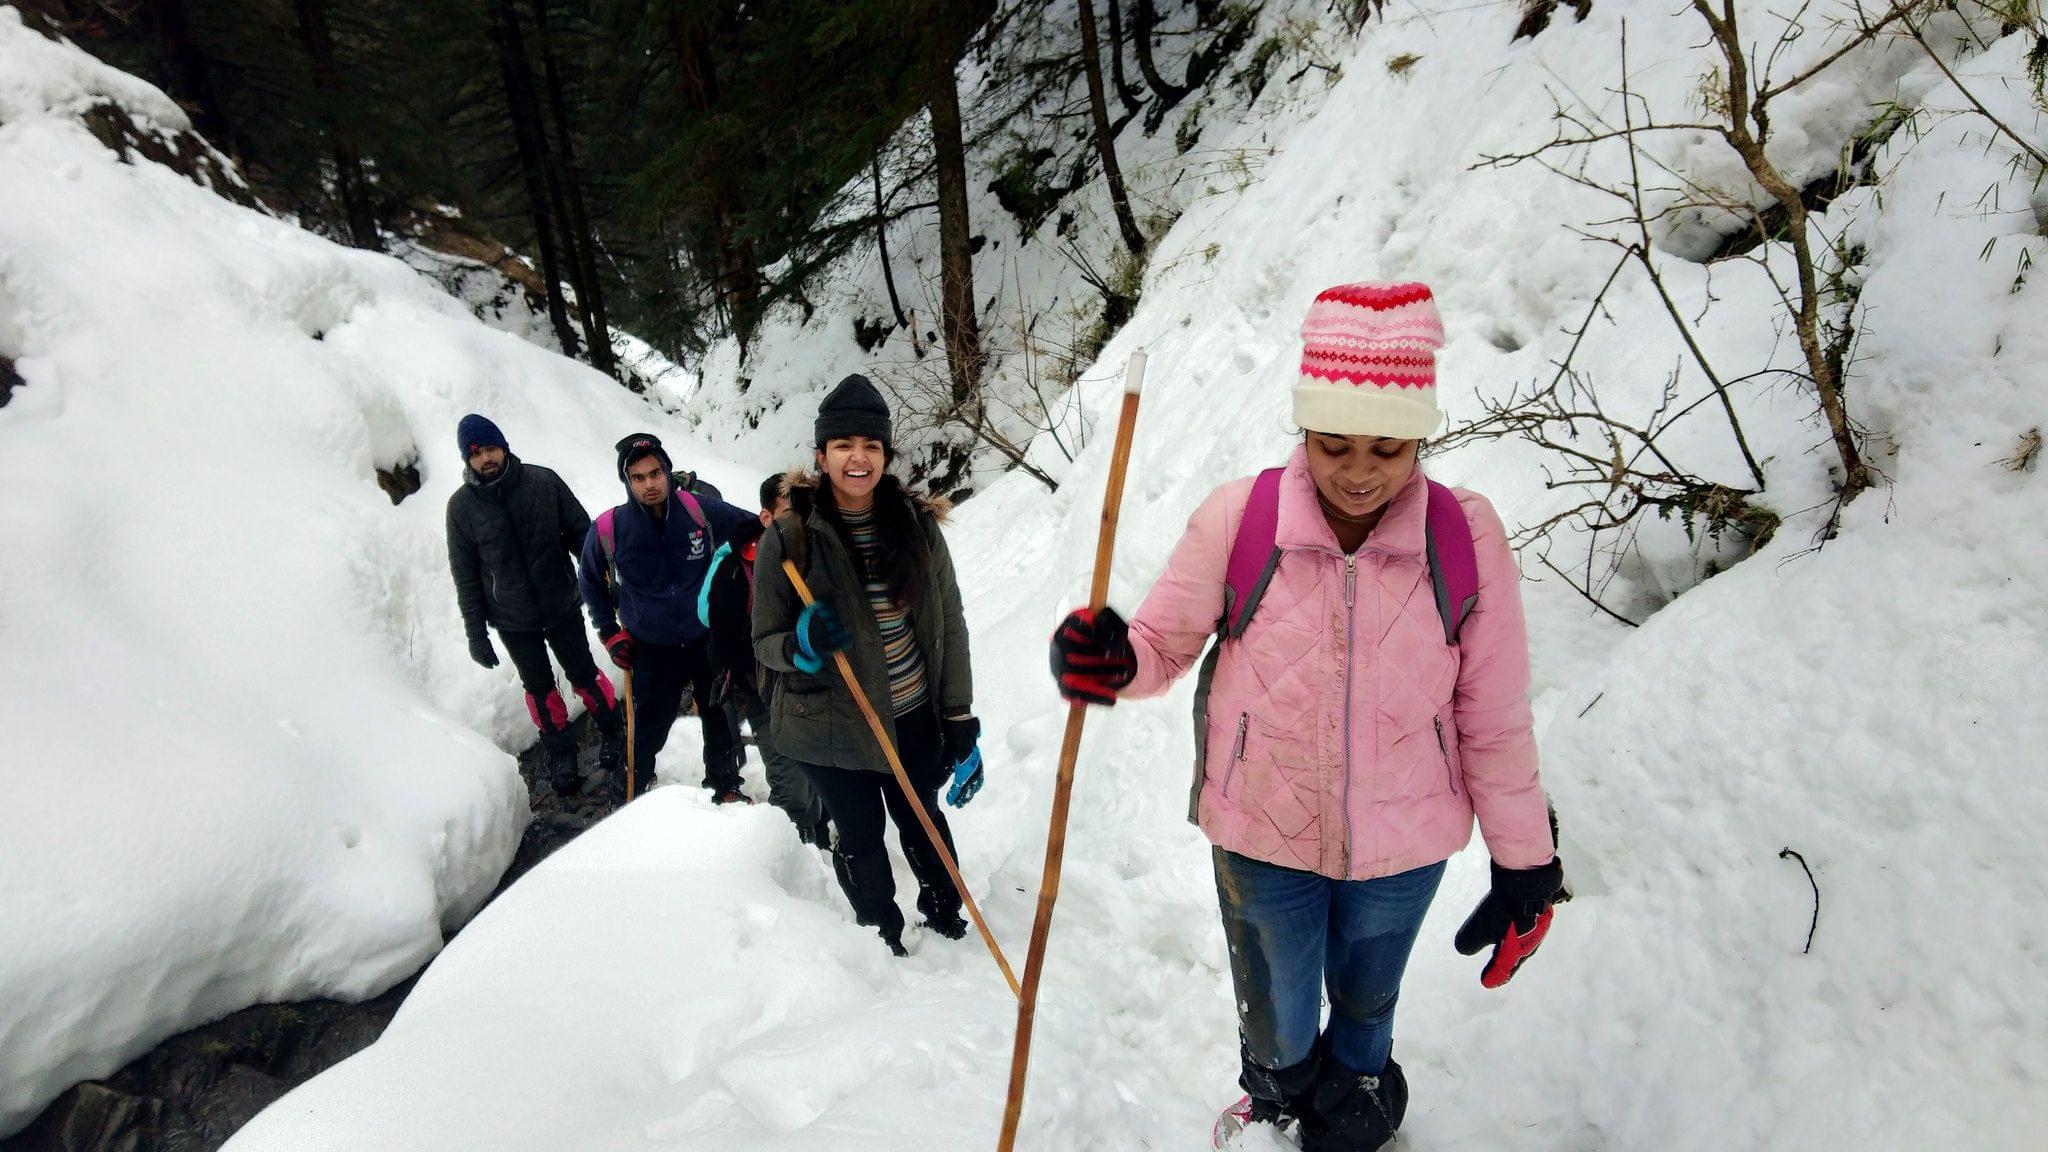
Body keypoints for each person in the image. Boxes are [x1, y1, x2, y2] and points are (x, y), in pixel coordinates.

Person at [1048, 283, 1565, 1152]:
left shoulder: (1465, 538)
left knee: (1368, 1004)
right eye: (1333, 444)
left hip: (1405, 844)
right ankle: (1277, 1102)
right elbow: (1159, 645)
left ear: (1420, 439)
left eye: (1388, 448)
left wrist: (1527, 865)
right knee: (1278, 1018)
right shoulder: (1241, 519)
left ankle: (1359, 1101)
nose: (1359, 471)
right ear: (1303, 429)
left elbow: (1494, 718)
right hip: (1261, 830)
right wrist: (1112, 661)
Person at [752, 375, 981, 956]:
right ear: (822, 455)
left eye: (872, 446)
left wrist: (958, 715)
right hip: (830, 724)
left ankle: (944, 913)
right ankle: (880, 936)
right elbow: (764, 642)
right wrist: (802, 643)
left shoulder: (917, 526)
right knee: (859, 835)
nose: (859, 458)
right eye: (844, 445)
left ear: (886, 454)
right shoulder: (789, 538)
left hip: (909, 714)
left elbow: (948, 624)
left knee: (922, 819)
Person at [445, 414, 623, 797]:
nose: (486, 458)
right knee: (539, 688)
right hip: (512, 619)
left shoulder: (542, 481)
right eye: (476, 453)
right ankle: (562, 753)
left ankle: (612, 730)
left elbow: (581, 533)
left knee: (584, 673)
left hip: (561, 601)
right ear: (467, 460)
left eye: (491, 448)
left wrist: (604, 583)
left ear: (504, 447)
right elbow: (466, 577)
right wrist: (476, 633)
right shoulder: (460, 509)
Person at [580, 432, 760, 806]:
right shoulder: (609, 529)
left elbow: (750, 528)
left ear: (667, 471)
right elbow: (590, 583)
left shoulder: (698, 510)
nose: (650, 483)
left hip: (704, 635)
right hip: (651, 643)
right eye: (639, 477)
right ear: (628, 482)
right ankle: (631, 784)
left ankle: (725, 784)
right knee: (650, 721)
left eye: (656, 473)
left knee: (717, 713)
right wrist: (610, 634)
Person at [699, 472, 831, 845]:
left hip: (819, 687)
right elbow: (716, 628)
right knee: (788, 772)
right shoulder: (735, 570)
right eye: (789, 511)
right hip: (765, 688)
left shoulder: (819, 552)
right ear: (767, 517)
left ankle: (817, 830)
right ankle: (791, 849)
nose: (799, 520)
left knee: (820, 767)